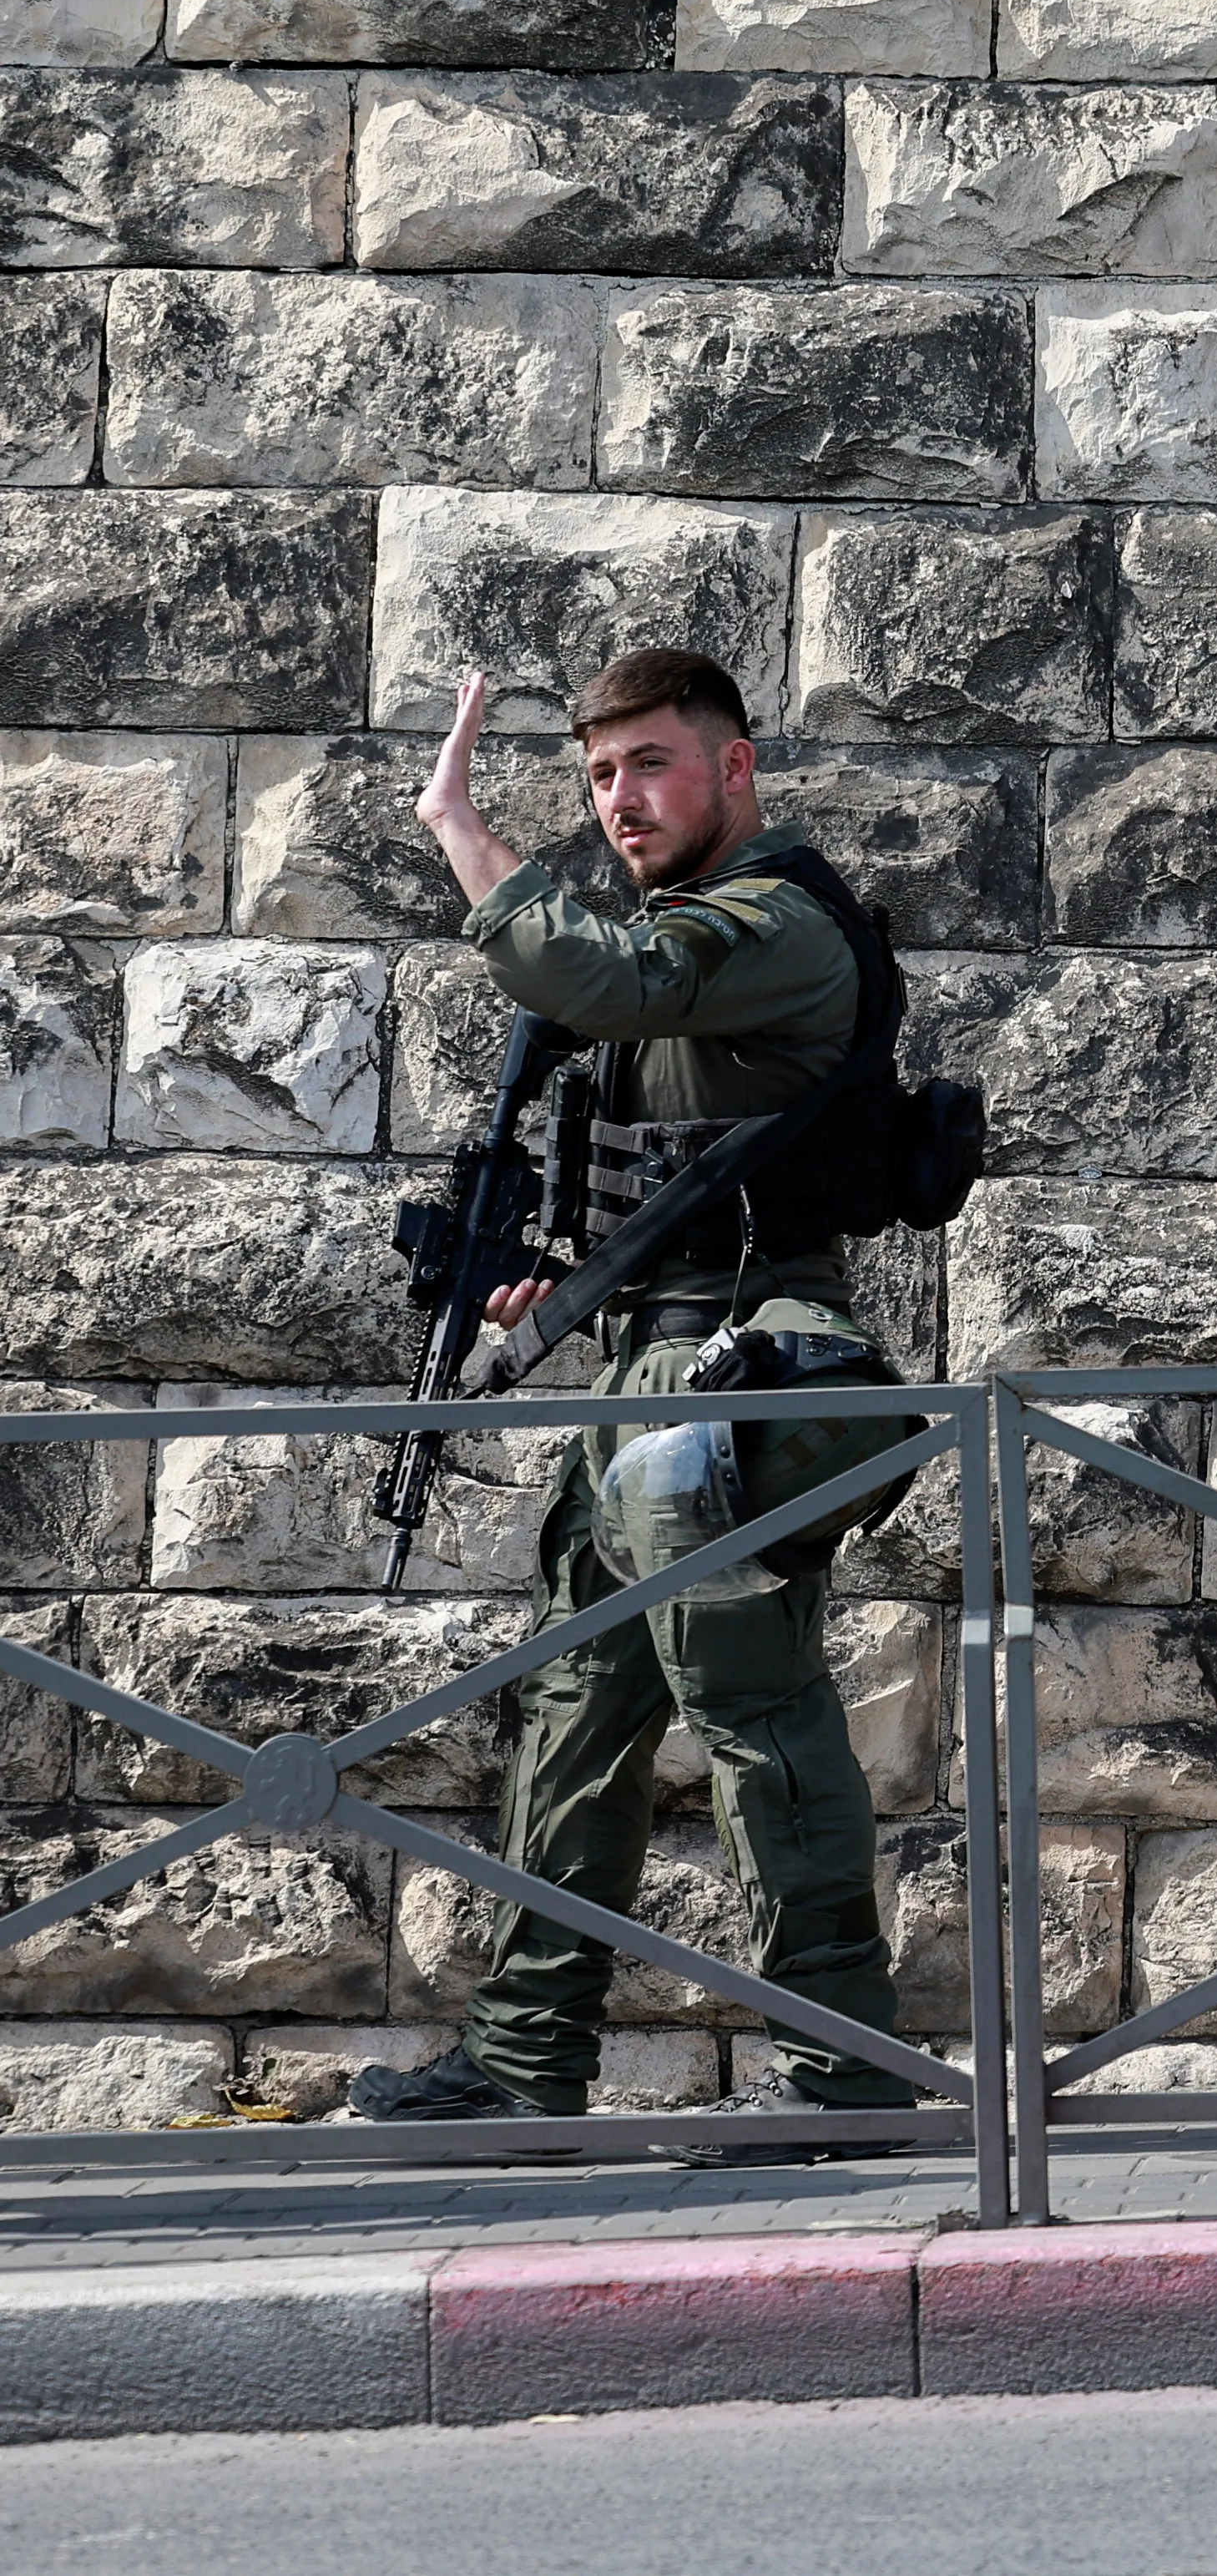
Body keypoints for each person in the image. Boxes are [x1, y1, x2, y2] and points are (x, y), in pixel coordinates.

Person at [344, 650, 928, 2160]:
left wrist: (460, 826)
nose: (622, 800)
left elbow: (603, 977)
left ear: (734, 769)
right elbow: (666, 1172)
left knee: (755, 1707)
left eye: (652, 765)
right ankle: (529, 2055)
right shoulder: (674, 935)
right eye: (601, 776)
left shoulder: (779, 923)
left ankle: (846, 2070)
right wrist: (562, 1278)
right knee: (575, 1713)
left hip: (739, 1372)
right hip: (648, 1367)